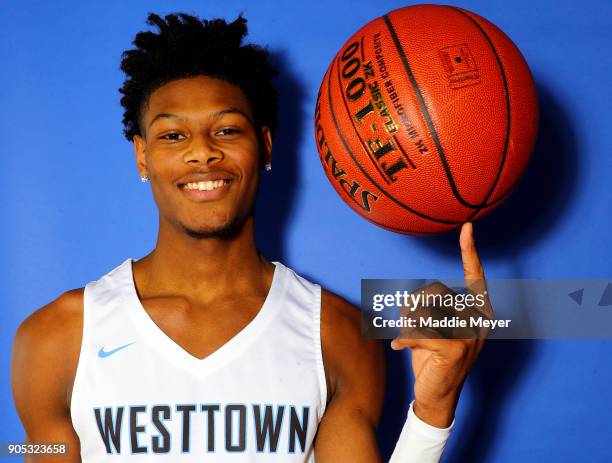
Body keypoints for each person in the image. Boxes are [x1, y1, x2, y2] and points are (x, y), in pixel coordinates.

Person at [11, 13, 487, 462]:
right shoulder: (56, 337)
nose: (202, 152)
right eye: (173, 136)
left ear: (264, 147)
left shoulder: (337, 335)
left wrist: (433, 410)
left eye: (226, 129)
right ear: (142, 156)